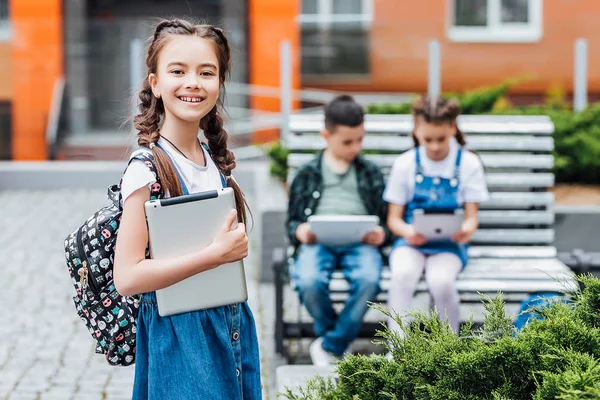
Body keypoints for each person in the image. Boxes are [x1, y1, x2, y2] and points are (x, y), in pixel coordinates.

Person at [112, 19, 261, 399]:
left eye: (206, 72)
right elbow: (128, 277)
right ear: (155, 83)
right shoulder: (145, 169)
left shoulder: (212, 159)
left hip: (231, 324)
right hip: (180, 336)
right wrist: (213, 256)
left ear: (219, 83)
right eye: (177, 71)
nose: (193, 82)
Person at [286, 95, 391, 366]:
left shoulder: (370, 173)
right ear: (326, 135)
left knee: (369, 279)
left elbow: (388, 220)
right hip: (318, 242)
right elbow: (292, 222)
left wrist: (382, 234)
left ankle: (330, 345)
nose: (355, 147)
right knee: (308, 280)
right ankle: (335, 342)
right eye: (347, 141)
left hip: (362, 243)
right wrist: (301, 232)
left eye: (360, 139)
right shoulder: (308, 173)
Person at [383, 95, 489, 336]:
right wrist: (409, 233)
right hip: (411, 242)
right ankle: (396, 345)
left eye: (441, 139)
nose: (434, 146)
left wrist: (466, 230)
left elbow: (472, 217)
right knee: (402, 275)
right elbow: (394, 219)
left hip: (449, 245)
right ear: (416, 131)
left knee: (441, 281)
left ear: (453, 128)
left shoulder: (468, 163)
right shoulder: (405, 164)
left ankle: (447, 345)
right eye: (427, 139)